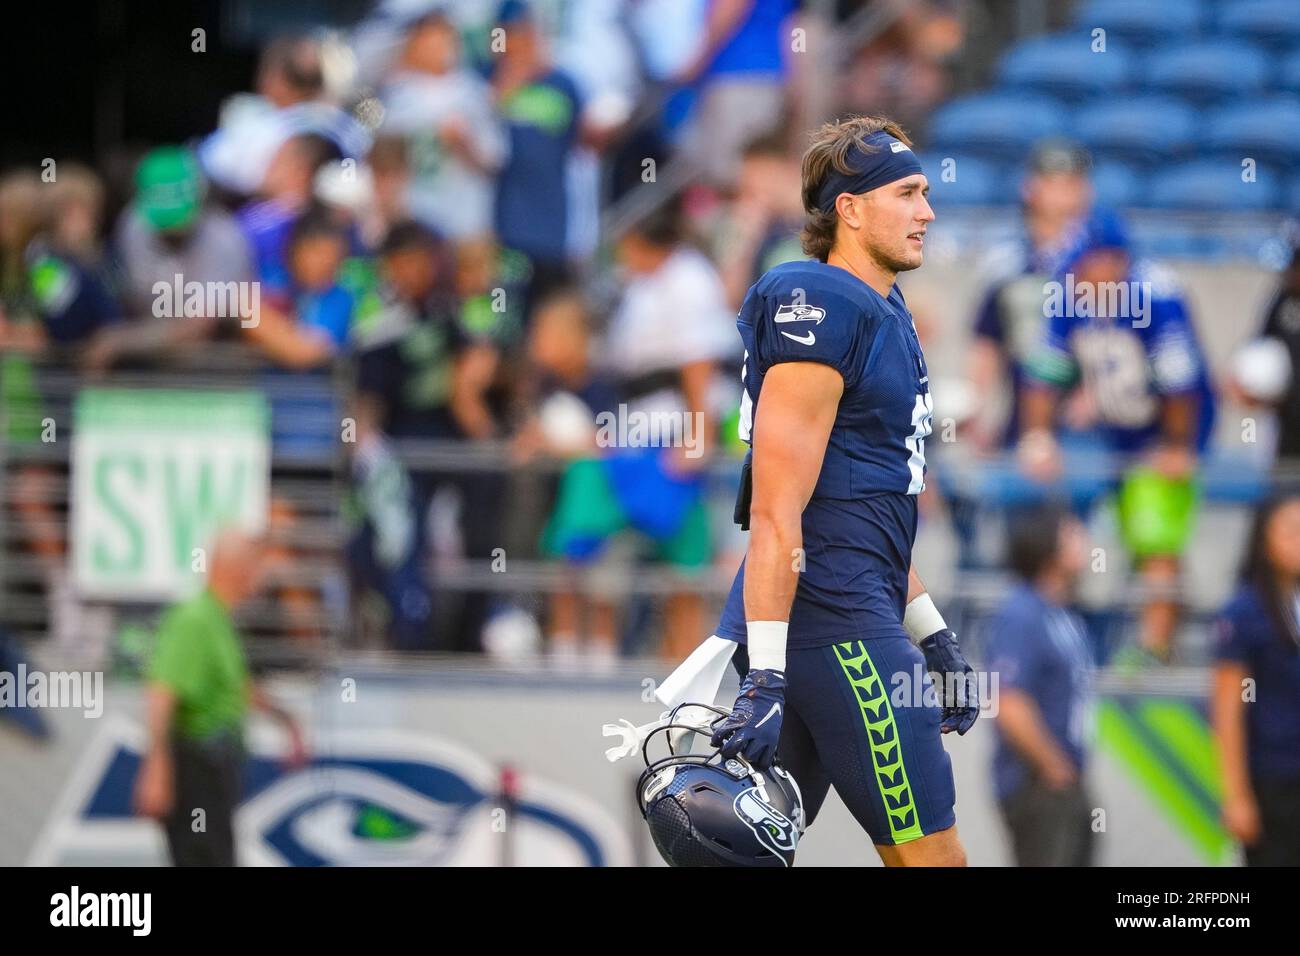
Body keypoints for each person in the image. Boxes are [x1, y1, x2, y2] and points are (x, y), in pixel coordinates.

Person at [706, 115, 978, 865]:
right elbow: (775, 511)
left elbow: (871, 510)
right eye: (908, 194)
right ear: (850, 209)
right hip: (834, 621)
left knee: (748, 858)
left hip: (850, 601)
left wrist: (937, 637)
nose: (928, 211)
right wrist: (766, 675)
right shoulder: (817, 300)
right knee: (932, 861)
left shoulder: (884, 311)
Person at [1018, 212, 1216, 664]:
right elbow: (1045, 373)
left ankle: (1155, 646)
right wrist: (1037, 436)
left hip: (1167, 434)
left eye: (1085, 265)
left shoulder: (1156, 296)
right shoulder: (1070, 295)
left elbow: (1179, 382)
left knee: (1155, 535)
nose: (1077, 277)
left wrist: (1177, 447)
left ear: (1112, 262)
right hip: (1115, 434)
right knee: (1111, 533)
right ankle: (1123, 637)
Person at [133, 531, 306, 866]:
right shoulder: (194, 619)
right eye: (256, 566)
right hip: (197, 771)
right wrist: (157, 769)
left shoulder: (218, 621)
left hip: (215, 774)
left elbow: (238, 689)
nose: (261, 577)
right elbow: (162, 693)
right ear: (237, 568)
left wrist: (288, 720)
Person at [986, 504, 1095, 867]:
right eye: (1071, 533)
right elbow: (1008, 699)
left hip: (1064, 781)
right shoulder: (1022, 612)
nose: (1084, 540)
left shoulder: (1063, 614)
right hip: (1038, 784)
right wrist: (1053, 766)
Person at [1212, 491, 1300, 866]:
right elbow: (1228, 710)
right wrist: (1236, 794)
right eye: (1293, 531)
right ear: (1263, 540)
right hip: (1274, 780)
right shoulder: (1245, 611)